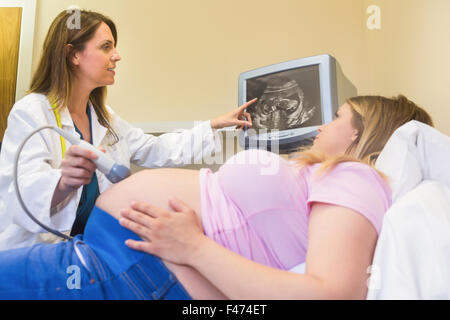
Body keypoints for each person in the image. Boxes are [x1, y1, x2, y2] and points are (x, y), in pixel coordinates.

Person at [0, 94, 433, 299]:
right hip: (112, 259)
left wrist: (194, 247)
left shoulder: (356, 176)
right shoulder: (328, 180)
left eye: (337, 117)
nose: (322, 124)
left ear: (359, 132)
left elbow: (331, 295)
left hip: (134, 269)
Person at [0, 10, 253, 250]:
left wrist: (213, 125)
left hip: (92, 248)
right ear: (73, 54)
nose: (117, 56)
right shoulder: (32, 113)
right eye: (106, 46)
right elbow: (19, 195)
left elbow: (155, 149)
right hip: (36, 253)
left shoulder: (104, 117)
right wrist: (63, 183)